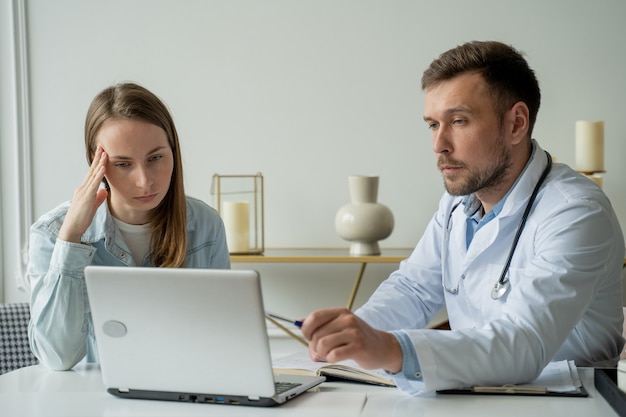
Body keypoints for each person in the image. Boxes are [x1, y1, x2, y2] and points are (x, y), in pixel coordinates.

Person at [300, 41, 625, 395]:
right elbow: (414, 290)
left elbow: (524, 342)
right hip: (476, 394)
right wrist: (351, 333)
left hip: (569, 399)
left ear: (516, 124)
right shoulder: (457, 204)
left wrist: (391, 349)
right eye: (432, 125)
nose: (439, 144)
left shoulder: (576, 211)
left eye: (458, 121)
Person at [27, 82, 231, 371]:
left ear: (174, 151)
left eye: (155, 158)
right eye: (123, 164)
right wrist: (71, 239)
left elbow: (222, 339)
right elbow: (59, 358)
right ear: (95, 163)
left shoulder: (205, 225)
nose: (144, 181)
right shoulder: (51, 233)